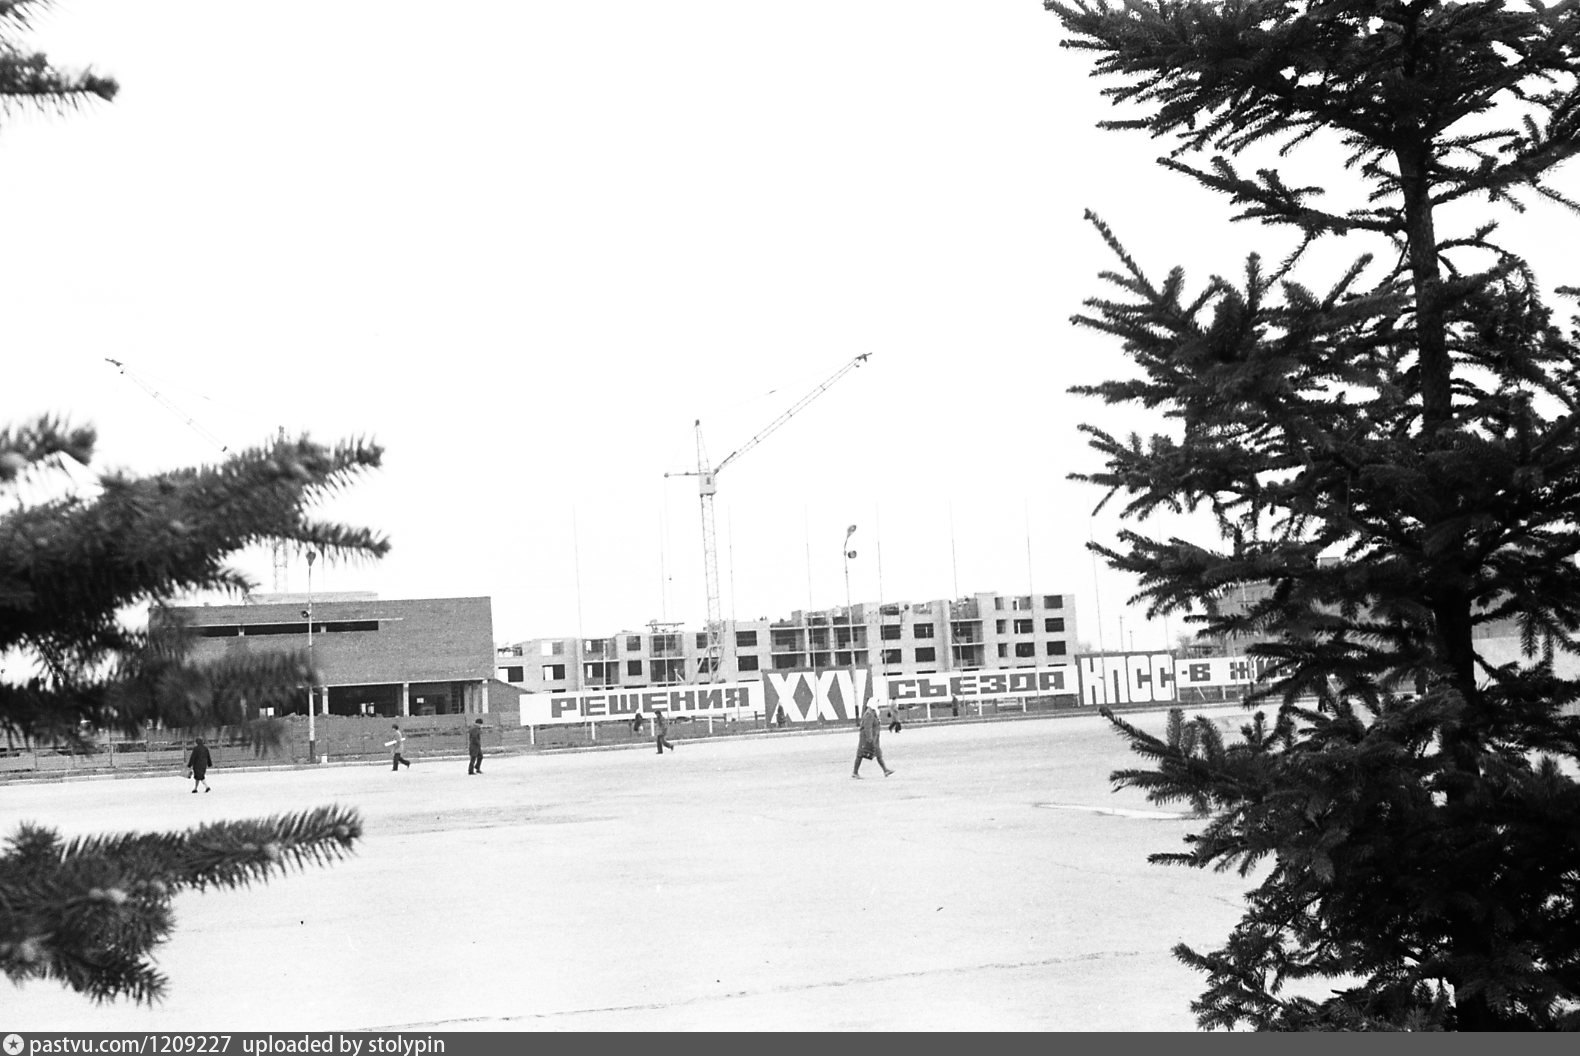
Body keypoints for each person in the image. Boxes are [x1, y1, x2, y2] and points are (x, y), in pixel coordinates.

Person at [853, 703, 894, 779]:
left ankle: (885, 770)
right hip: (867, 739)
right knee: (860, 754)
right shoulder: (869, 714)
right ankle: (855, 772)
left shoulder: (873, 712)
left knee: (878, 753)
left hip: (874, 738)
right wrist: (869, 738)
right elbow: (867, 727)